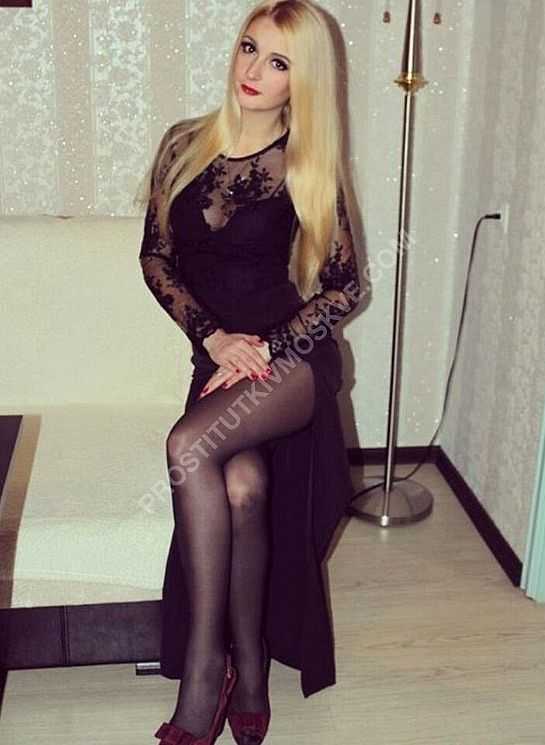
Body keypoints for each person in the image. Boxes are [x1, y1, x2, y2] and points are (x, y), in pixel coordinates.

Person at [135, 1, 361, 743]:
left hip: (288, 361)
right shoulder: (183, 144)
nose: (254, 70)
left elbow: (345, 287)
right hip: (219, 357)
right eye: (248, 48)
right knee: (239, 486)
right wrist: (212, 336)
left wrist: (265, 345)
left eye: (279, 61)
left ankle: (206, 670)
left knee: (187, 445)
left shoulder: (304, 162)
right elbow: (156, 257)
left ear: (302, 80)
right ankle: (251, 667)